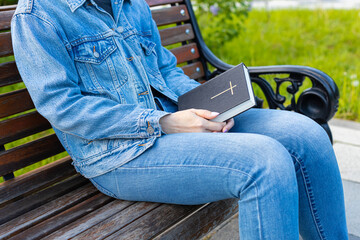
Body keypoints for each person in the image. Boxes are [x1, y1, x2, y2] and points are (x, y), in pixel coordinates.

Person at [11, 0, 348, 239]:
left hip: (175, 125)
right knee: (265, 162)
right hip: (117, 155)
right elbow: (64, 108)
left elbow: (165, 70)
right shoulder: (37, 16)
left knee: (305, 134)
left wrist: (210, 108)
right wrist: (162, 122)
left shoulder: (129, 3)